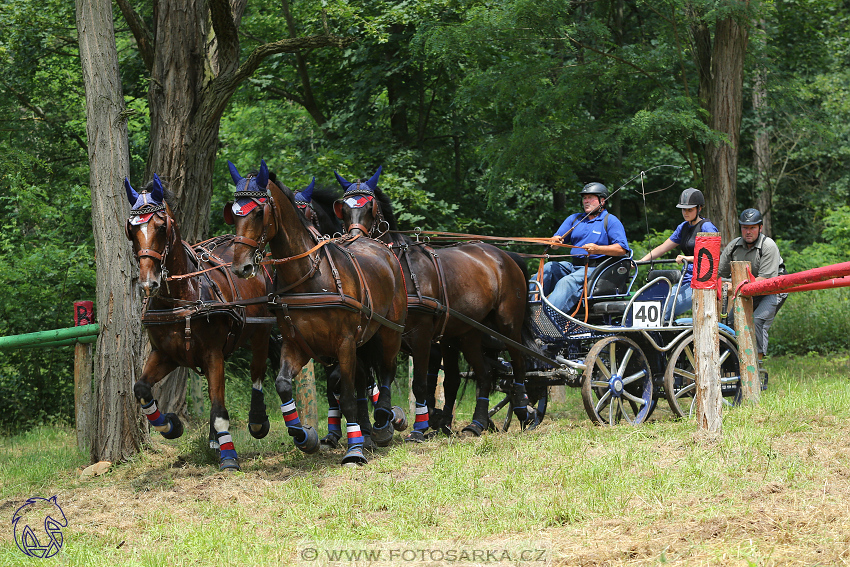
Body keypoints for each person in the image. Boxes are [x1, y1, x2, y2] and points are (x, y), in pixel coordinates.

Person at [537, 182, 630, 314]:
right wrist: (554, 242)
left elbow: (621, 249)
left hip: (596, 269)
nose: (586, 201)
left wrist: (598, 249)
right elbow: (556, 242)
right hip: (574, 267)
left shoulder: (610, 221)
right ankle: (525, 308)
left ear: (602, 201)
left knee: (567, 282)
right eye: (584, 198)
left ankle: (547, 317)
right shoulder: (575, 219)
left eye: (590, 198)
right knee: (548, 268)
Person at [639, 188, 719, 319]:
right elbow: (662, 248)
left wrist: (687, 258)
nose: (686, 213)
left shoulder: (707, 227)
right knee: (654, 305)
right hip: (685, 280)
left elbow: (712, 257)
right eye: (683, 209)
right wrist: (641, 261)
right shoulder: (683, 227)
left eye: (690, 209)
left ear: (699, 208)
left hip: (700, 284)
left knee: (664, 310)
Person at [719, 208, 785, 360]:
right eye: (745, 228)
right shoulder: (733, 246)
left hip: (773, 288)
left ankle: (758, 368)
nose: (748, 232)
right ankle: (734, 365)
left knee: (757, 321)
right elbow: (718, 273)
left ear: (760, 228)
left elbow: (765, 282)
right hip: (747, 289)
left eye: (752, 228)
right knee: (729, 323)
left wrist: (733, 287)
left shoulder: (768, 246)